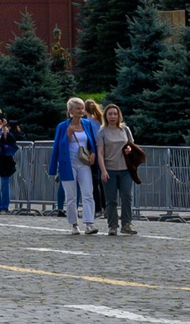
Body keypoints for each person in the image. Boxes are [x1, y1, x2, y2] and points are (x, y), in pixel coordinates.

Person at [51, 97, 98, 233]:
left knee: (88, 192)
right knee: (71, 195)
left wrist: (93, 153)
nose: (81, 111)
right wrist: (68, 134)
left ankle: (89, 223)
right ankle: (74, 224)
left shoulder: (87, 124)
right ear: (70, 110)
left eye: (82, 108)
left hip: (84, 162)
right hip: (68, 162)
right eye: (78, 108)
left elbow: (92, 141)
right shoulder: (63, 126)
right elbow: (59, 146)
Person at [97, 103, 138, 235]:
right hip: (110, 169)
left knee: (126, 196)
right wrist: (103, 170)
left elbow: (132, 145)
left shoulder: (125, 129)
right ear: (106, 116)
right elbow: (100, 153)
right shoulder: (102, 132)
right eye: (110, 114)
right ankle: (112, 225)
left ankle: (126, 223)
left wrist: (129, 149)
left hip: (125, 169)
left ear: (119, 115)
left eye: (115, 114)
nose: (113, 116)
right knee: (111, 199)